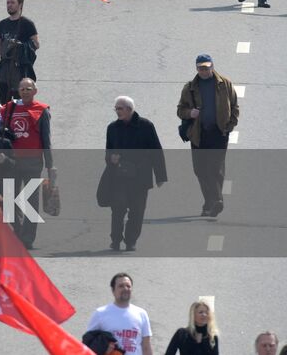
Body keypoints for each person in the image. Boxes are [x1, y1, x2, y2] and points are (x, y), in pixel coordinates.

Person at [102, 96, 167, 252]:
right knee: (118, 208)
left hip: (140, 178)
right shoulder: (112, 128)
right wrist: (111, 158)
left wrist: (160, 176)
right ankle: (116, 240)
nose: (117, 111)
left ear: (130, 110)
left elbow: (156, 151)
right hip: (119, 177)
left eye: (120, 108)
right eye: (116, 109)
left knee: (137, 211)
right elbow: (108, 151)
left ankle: (131, 241)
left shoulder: (146, 126)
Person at [176, 54, 238, 218]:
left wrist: (229, 126)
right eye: (201, 68)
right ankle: (209, 202)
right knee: (200, 170)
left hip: (218, 133)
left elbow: (234, 106)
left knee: (215, 168)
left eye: (206, 67)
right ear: (196, 68)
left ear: (212, 66)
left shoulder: (224, 84)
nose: (204, 70)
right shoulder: (189, 88)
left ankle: (216, 201)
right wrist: (190, 112)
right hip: (198, 134)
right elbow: (180, 110)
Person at [0, 78, 53, 248]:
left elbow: (46, 139)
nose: (25, 91)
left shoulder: (42, 110)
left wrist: (50, 164)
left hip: (32, 162)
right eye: (22, 88)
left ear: (34, 91)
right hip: (11, 161)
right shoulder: (9, 107)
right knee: (10, 199)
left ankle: (28, 238)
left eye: (28, 88)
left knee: (30, 201)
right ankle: (18, 231)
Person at [85, 273, 152, 355]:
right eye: (121, 286)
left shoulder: (141, 314)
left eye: (128, 286)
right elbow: (88, 342)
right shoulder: (100, 313)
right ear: (113, 290)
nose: (125, 288)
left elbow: (146, 346)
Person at [0, 0, 38, 104]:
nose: (9, 5)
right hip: (4, 68)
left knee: (20, 102)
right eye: (8, 3)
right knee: (3, 102)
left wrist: (21, 45)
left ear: (20, 4)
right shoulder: (2, 24)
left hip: (20, 69)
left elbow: (36, 44)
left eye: (12, 2)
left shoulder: (27, 24)